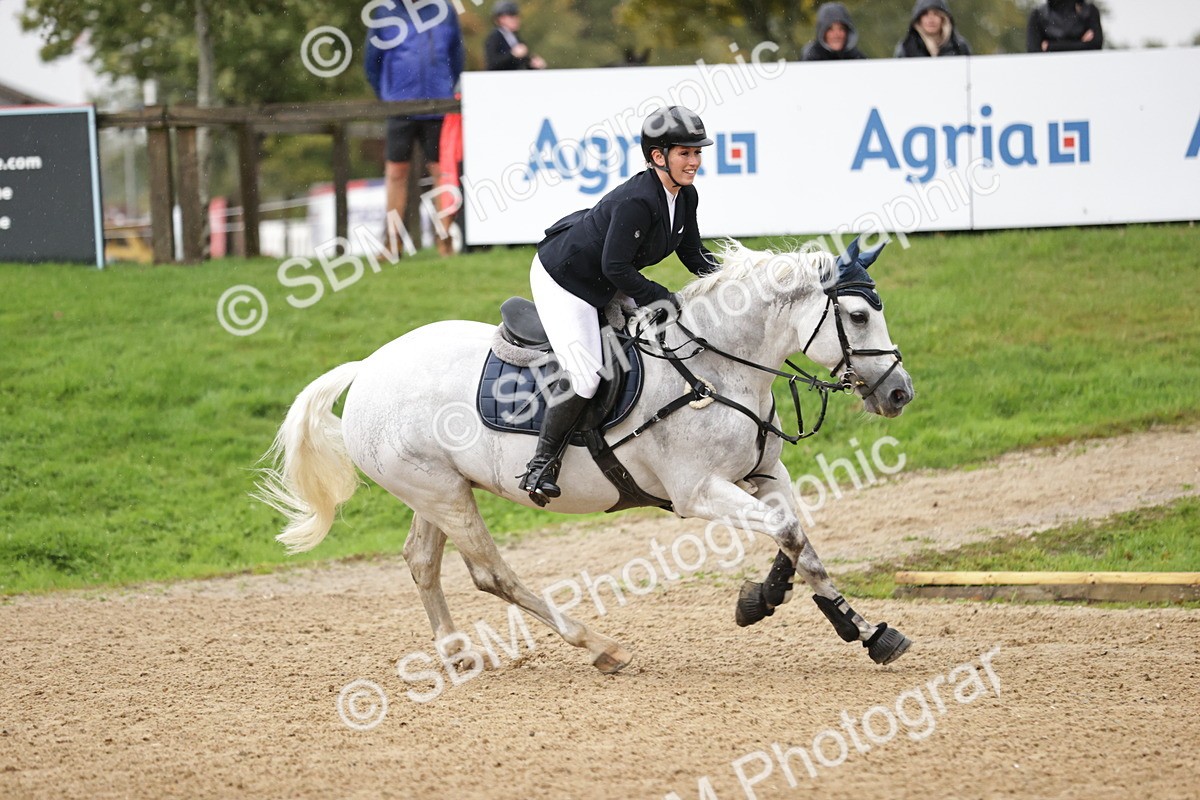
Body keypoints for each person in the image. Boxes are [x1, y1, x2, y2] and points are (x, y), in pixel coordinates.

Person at [518, 106, 719, 505]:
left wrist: (736, 278)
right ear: (658, 157)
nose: (694, 161)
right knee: (587, 375)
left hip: (609, 275)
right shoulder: (637, 200)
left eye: (697, 153)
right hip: (567, 279)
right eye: (685, 153)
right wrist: (660, 295)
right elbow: (615, 266)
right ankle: (540, 464)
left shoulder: (686, 195)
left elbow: (694, 255)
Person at [364, 1, 464, 257]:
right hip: (400, 106)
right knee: (396, 172)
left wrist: (445, 89)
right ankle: (392, 242)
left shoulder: (445, 9)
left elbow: (456, 55)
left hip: (438, 105)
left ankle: (444, 240)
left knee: (442, 173)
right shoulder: (384, 11)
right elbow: (371, 62)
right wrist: (388, 96)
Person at [894, 0, 971, 58]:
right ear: (918, 19)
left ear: (943, 18)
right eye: (925, 14)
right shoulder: (906, 48)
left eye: (936, 13)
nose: (931, 19)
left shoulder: (959, 47)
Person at [485, 1, 546, 71]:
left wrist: (534, 64)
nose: (516, 20)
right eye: (512, 16)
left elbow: (521, 64)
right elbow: (492, 63)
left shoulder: (516, 38)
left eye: (517, 16)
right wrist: (512, 55)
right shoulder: (494, 37)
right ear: (501, 19)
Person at [1027, 1, 1103, 53]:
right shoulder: (1038, 15)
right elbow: (1034, 51)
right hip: (1051, 69)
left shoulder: (1089, 12)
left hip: (1082, 67)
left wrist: (1051, 46)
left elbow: (1096, 45)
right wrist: (1081, 43)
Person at [801, 3, 867, 61]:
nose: (836, 34)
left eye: (841, 29)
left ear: (847, 32)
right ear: (822, 33)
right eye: (830, 29)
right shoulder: (810, 59)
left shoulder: (857, 58)